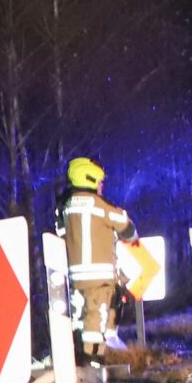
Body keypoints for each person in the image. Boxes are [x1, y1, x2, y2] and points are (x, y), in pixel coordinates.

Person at [59, 154, 135, 368]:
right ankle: (94, 362)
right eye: (100, 181)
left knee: (81, 319)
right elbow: (126, 226)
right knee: (96, 319)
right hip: (99, 277)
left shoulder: (66, 206)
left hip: (75, 276)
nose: (101, 186)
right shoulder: (99, 205)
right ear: (90, 179)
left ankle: (76, 358)